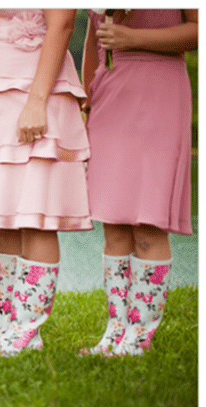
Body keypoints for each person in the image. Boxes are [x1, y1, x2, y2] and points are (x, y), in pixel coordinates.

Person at [0, 9, 91, 356]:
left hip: (33, 92)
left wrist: (37, 102)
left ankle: (27, 330)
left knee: (35, 218)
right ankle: (9, 327)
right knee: (5, 220)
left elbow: (62, 25)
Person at [78, 9, 197, 356]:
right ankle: (115, 330)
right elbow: (93, 40)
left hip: (159, 88)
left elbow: (197, 31)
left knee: (147, 223)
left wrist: (135, 39)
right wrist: (87, 97)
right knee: (113, 223)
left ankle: (139, 335)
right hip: (110, 91)